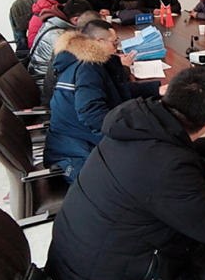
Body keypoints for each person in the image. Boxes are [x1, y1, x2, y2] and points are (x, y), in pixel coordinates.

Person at [46, 67, 205, 280]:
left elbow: (164, 148)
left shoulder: (131, 125)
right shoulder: (169, 171)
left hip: (73, 260)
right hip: (102, 277)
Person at [44, 20, 164, 182]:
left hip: (69, 139)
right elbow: (92, 115)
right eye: (114, 43)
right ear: (99, 41)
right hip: (78, 148)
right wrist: (132, 130)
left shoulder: (80, 59)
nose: (116, 48)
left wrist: (157, 89)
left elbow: (114, 90)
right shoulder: (87, 67)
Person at [27, 0, 92, 76]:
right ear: (76, 20)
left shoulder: (52, 22)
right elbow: (78, 59)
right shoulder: (60, 36)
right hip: (44, 79)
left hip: (39, 72)